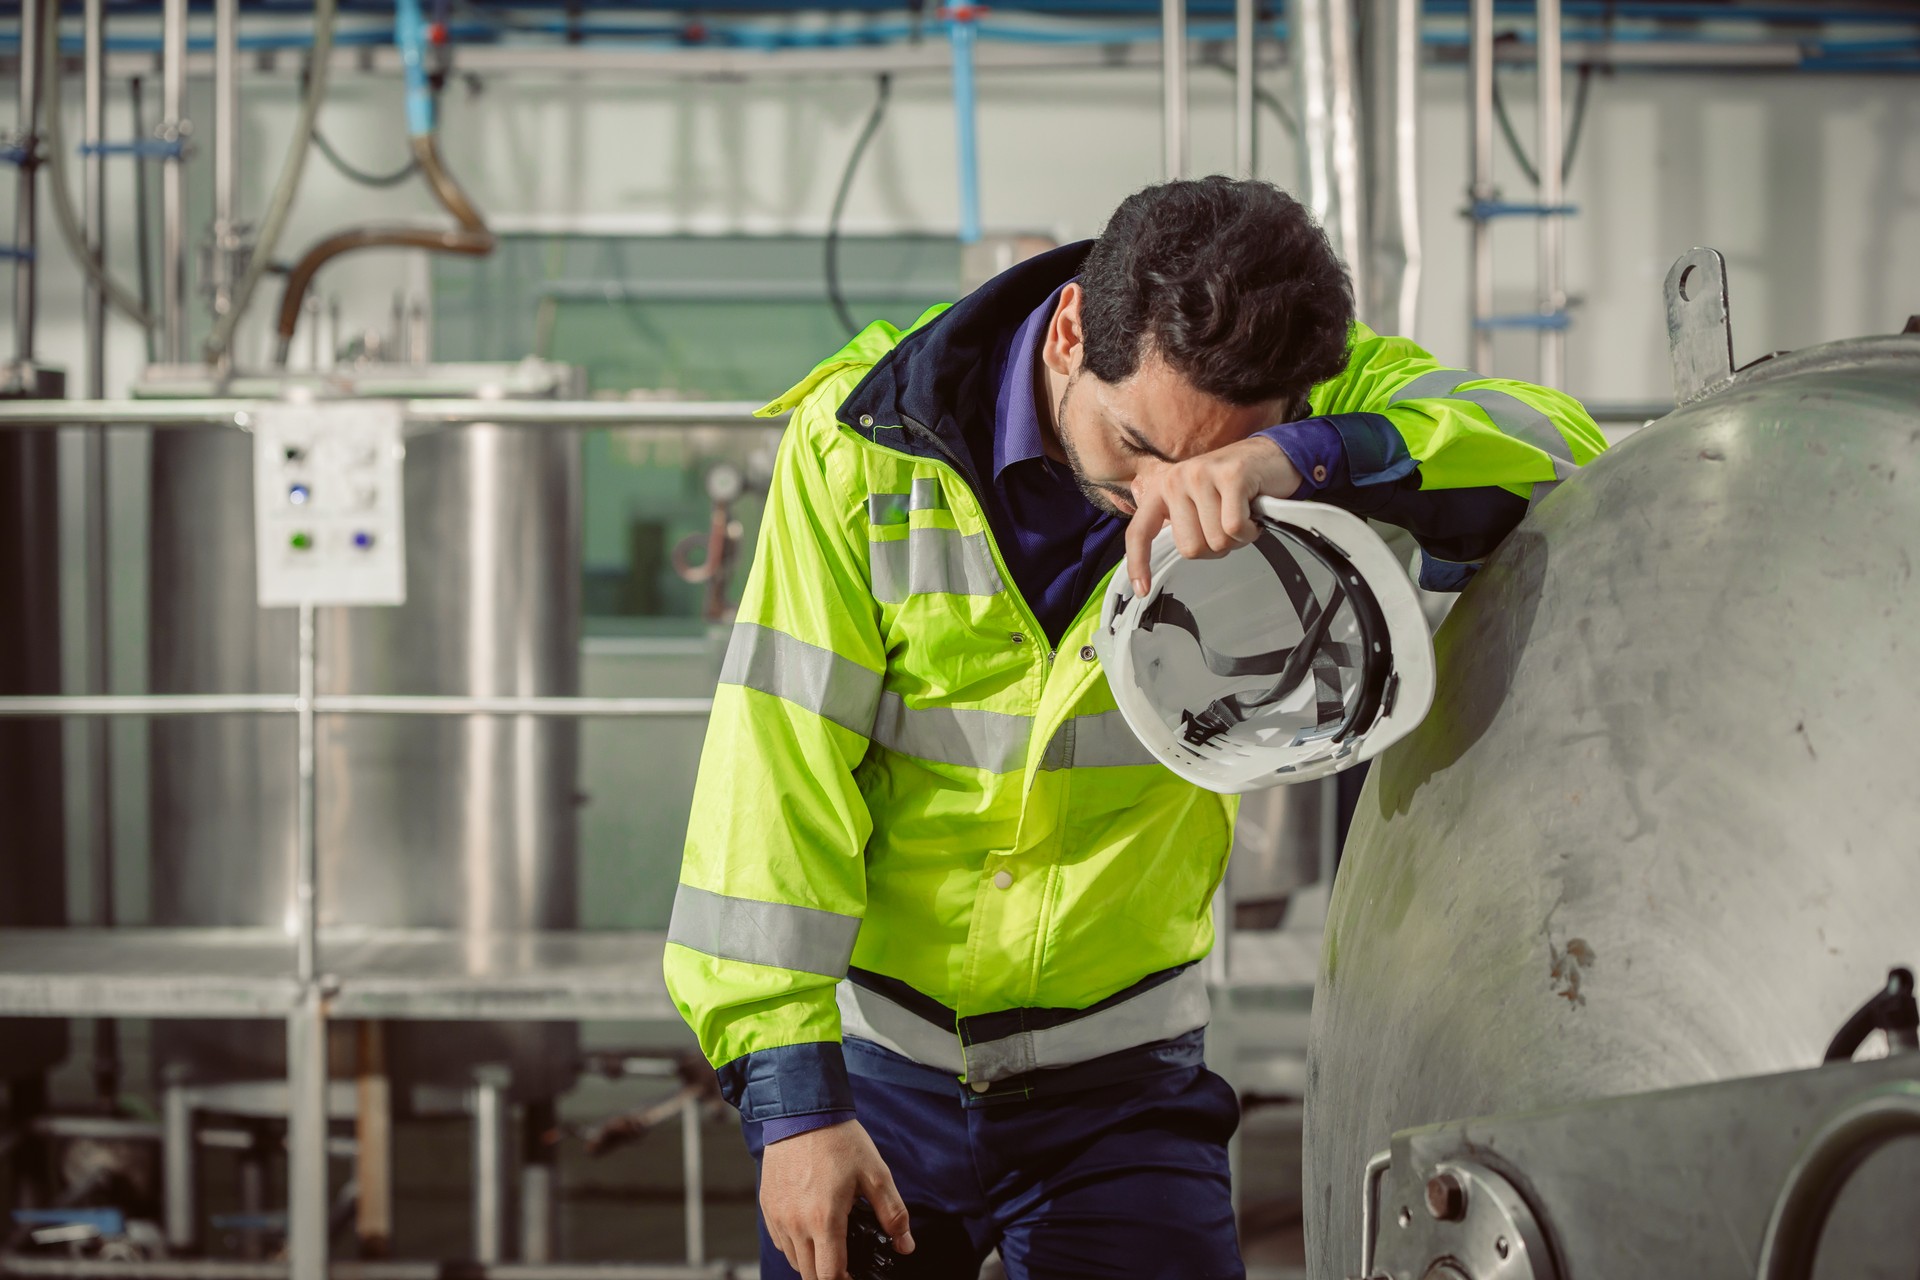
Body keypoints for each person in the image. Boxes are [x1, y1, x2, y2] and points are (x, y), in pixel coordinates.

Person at [663, 176, 1604, 1280]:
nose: (1163, 500)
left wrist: (1297, 461)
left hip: (1123, 1085)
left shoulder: (1303, 405)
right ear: (1070, 333)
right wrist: (792, 1106)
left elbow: (1563, 452)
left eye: (1204, 464)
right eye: (1138, 447)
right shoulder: (864, 450)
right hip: (882, 1076)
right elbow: (775, 777)